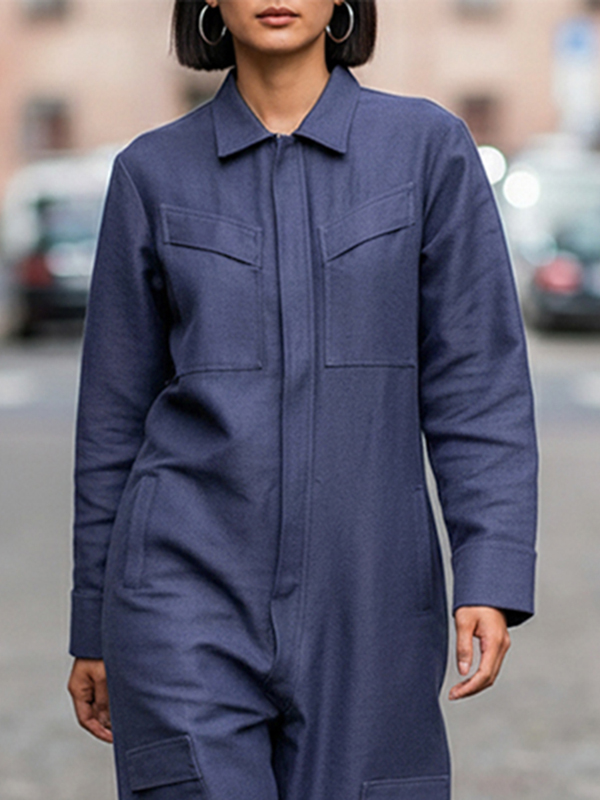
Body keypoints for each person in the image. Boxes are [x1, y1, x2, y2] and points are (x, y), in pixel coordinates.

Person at [66, 1, 539, 798]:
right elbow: (112, 418)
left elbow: (478, 382)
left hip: (373, 598)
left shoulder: (427, 150)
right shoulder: (152, 172)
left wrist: (491, 572)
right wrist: (93, 621)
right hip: (180, 593)